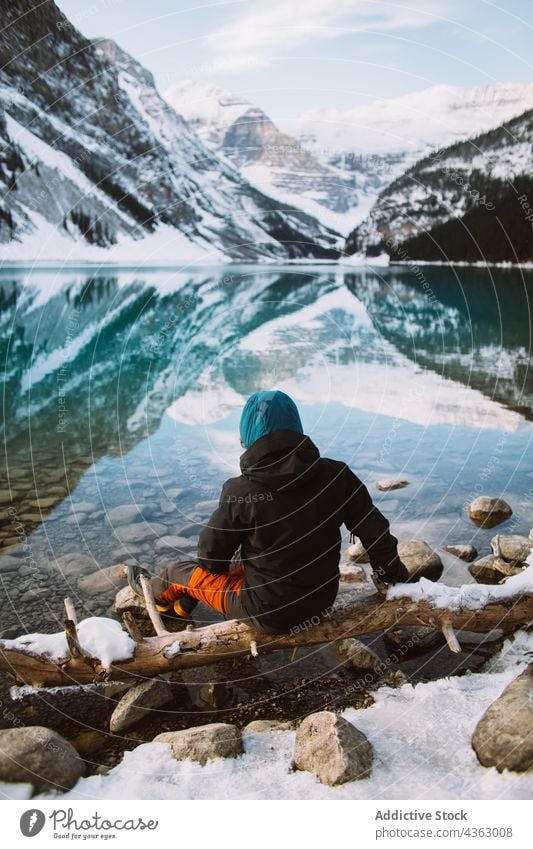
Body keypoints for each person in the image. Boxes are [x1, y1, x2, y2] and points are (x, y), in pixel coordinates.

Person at [149, 389, 411, 635]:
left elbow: (211, 561)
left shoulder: (240, 491)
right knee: (250, 561)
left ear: (247, 437)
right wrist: (394, 579)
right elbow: (376, 533)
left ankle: (158, 603)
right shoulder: (337, 475)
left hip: (269, 614)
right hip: (321, 601)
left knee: (175, 572)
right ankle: (184, 605)